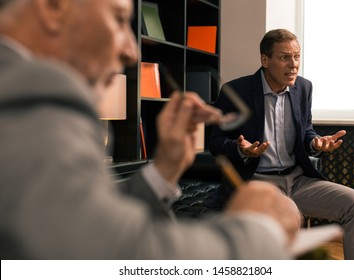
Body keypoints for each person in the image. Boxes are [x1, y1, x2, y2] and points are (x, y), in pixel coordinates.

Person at [0, 0, 303, 259]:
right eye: (119, 19)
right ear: (54, 6)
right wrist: (261, 229)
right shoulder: (31, 95)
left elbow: (81, 222)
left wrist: (164, 170)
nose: (132, 52)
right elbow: (124, 254)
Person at [207, 28, 354, 260]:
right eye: (285, 57)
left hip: (298, 180)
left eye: (297, 56)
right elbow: (215, 142)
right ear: (265, 60)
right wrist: (240, 149)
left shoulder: (303, 88)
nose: (294, 64)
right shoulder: (236, 91)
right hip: (260, 182)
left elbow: (306, 131)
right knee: (291, 216)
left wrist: (316, 144)